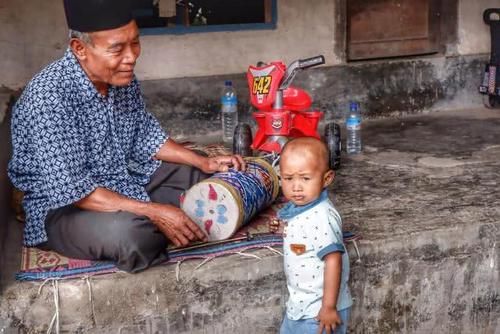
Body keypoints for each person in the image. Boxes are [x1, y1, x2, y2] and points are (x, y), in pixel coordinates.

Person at [8, 0, 245, 273]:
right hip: (65, 208)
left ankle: (167, 219)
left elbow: (145, 135)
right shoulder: (49, 96)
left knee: (210, 180)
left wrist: (202, 162)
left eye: (135, 43)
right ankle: (163, 222)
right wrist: (153, 211)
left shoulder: (122, 77)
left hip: (126, 178)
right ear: (80, 49)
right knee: (134, 237)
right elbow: (75, 191)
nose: (131, 56)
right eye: (117, 49)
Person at [277, 137, 352, 334]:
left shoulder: (322, 216)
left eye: (305, 178)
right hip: (300, 306)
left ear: (326, 179)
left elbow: (334, 260)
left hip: (319, 312)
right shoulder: (301, 209)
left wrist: (328, 308)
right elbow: (303, 236)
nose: (296, 187)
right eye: (288, 178)